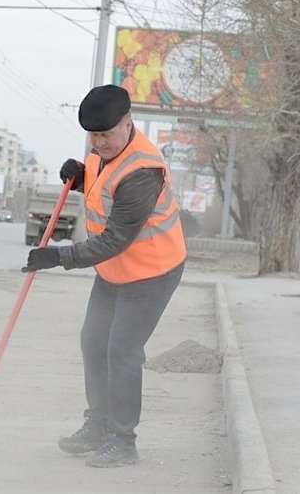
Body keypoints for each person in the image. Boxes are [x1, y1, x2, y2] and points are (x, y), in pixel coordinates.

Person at [22, 84, 187, 468]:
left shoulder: (144, 170)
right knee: (93, 343)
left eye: (106, 134)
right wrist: (79, 178)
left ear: (127, 123)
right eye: (93, 136)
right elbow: (102, 186)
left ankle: (122, 440)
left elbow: (115, 238)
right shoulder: (102, 152)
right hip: (114, 271)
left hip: (152, 271)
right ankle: (97, 425)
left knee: (122, 351)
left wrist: (57, 257)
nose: (99, 142)